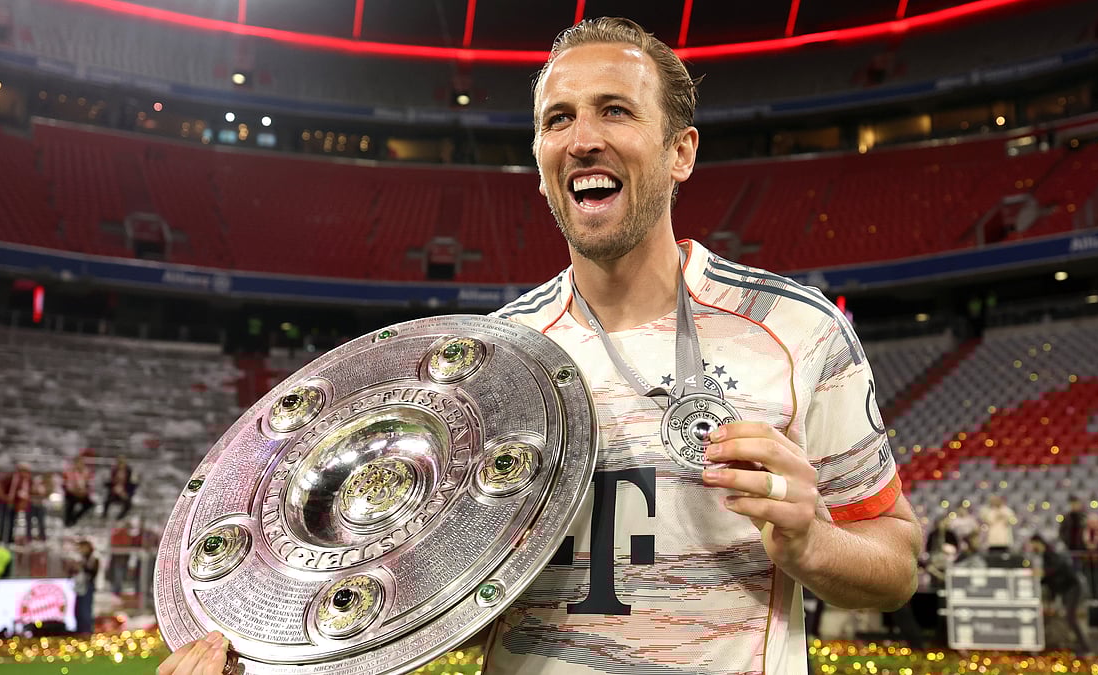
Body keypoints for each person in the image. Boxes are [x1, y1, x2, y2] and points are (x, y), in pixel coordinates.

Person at [158, 17, 922, 675]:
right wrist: (253, 641)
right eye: (558, 120)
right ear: (539, 158)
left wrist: (812, 541)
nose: (583, 139)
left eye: (614, 111)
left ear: (680, 151)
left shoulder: (797, 329)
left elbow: (894, 562)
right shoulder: (490, 362)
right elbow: (395, 593)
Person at [1029, 534, 1088, 655]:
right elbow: (1050, 578)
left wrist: (1042, 573)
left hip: (1072, 588)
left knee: (1070, 618)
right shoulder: (1045, 556)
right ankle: (1076, 645)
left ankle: (1085, 648)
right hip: (1065, 590)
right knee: (1066, 618)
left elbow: (1056, 569)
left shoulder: (1051, 554)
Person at [68, 539, 99, 635]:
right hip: (80, 587)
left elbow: (93, 572)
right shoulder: (81, 559)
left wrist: (82, 566)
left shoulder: (94, 559)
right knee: (78, 611)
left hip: (87, 587)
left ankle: (86, 631)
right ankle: (80, 630)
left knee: (85, 611)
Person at [63, 456, 95, 527]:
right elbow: (68, 485)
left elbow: (90, 484)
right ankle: (67, 522)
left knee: (90, 504)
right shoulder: (70, 472)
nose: (79, 465)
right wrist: (75, 491)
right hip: (73, 493)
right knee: (69, 504)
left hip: (83, 494)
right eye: (78, 463)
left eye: (81, 463)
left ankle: (75, 518)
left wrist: (85, 491)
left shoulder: (87, 472)